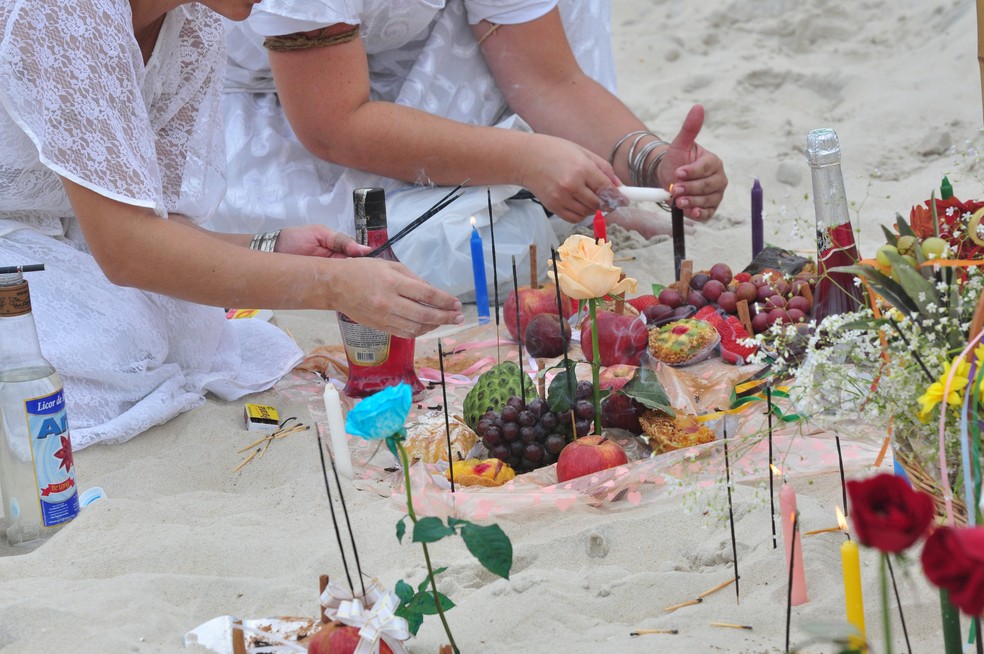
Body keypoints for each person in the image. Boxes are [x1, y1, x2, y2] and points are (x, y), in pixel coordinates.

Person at [0, 0, 463, 449]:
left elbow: (148, 221)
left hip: (71, 239)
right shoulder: (63, 11)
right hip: (24, 242)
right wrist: (331, 285)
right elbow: (125, 250)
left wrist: (270, 246)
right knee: (111, 344)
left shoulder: (193, 23)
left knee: (187, 329)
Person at [213, 1, 728, 297]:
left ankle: (594, 191)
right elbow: (333, 126)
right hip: (285, 105)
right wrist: (526, 159)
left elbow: (545, 78)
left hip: (404, 74)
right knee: (432, 248)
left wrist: (648, 161)